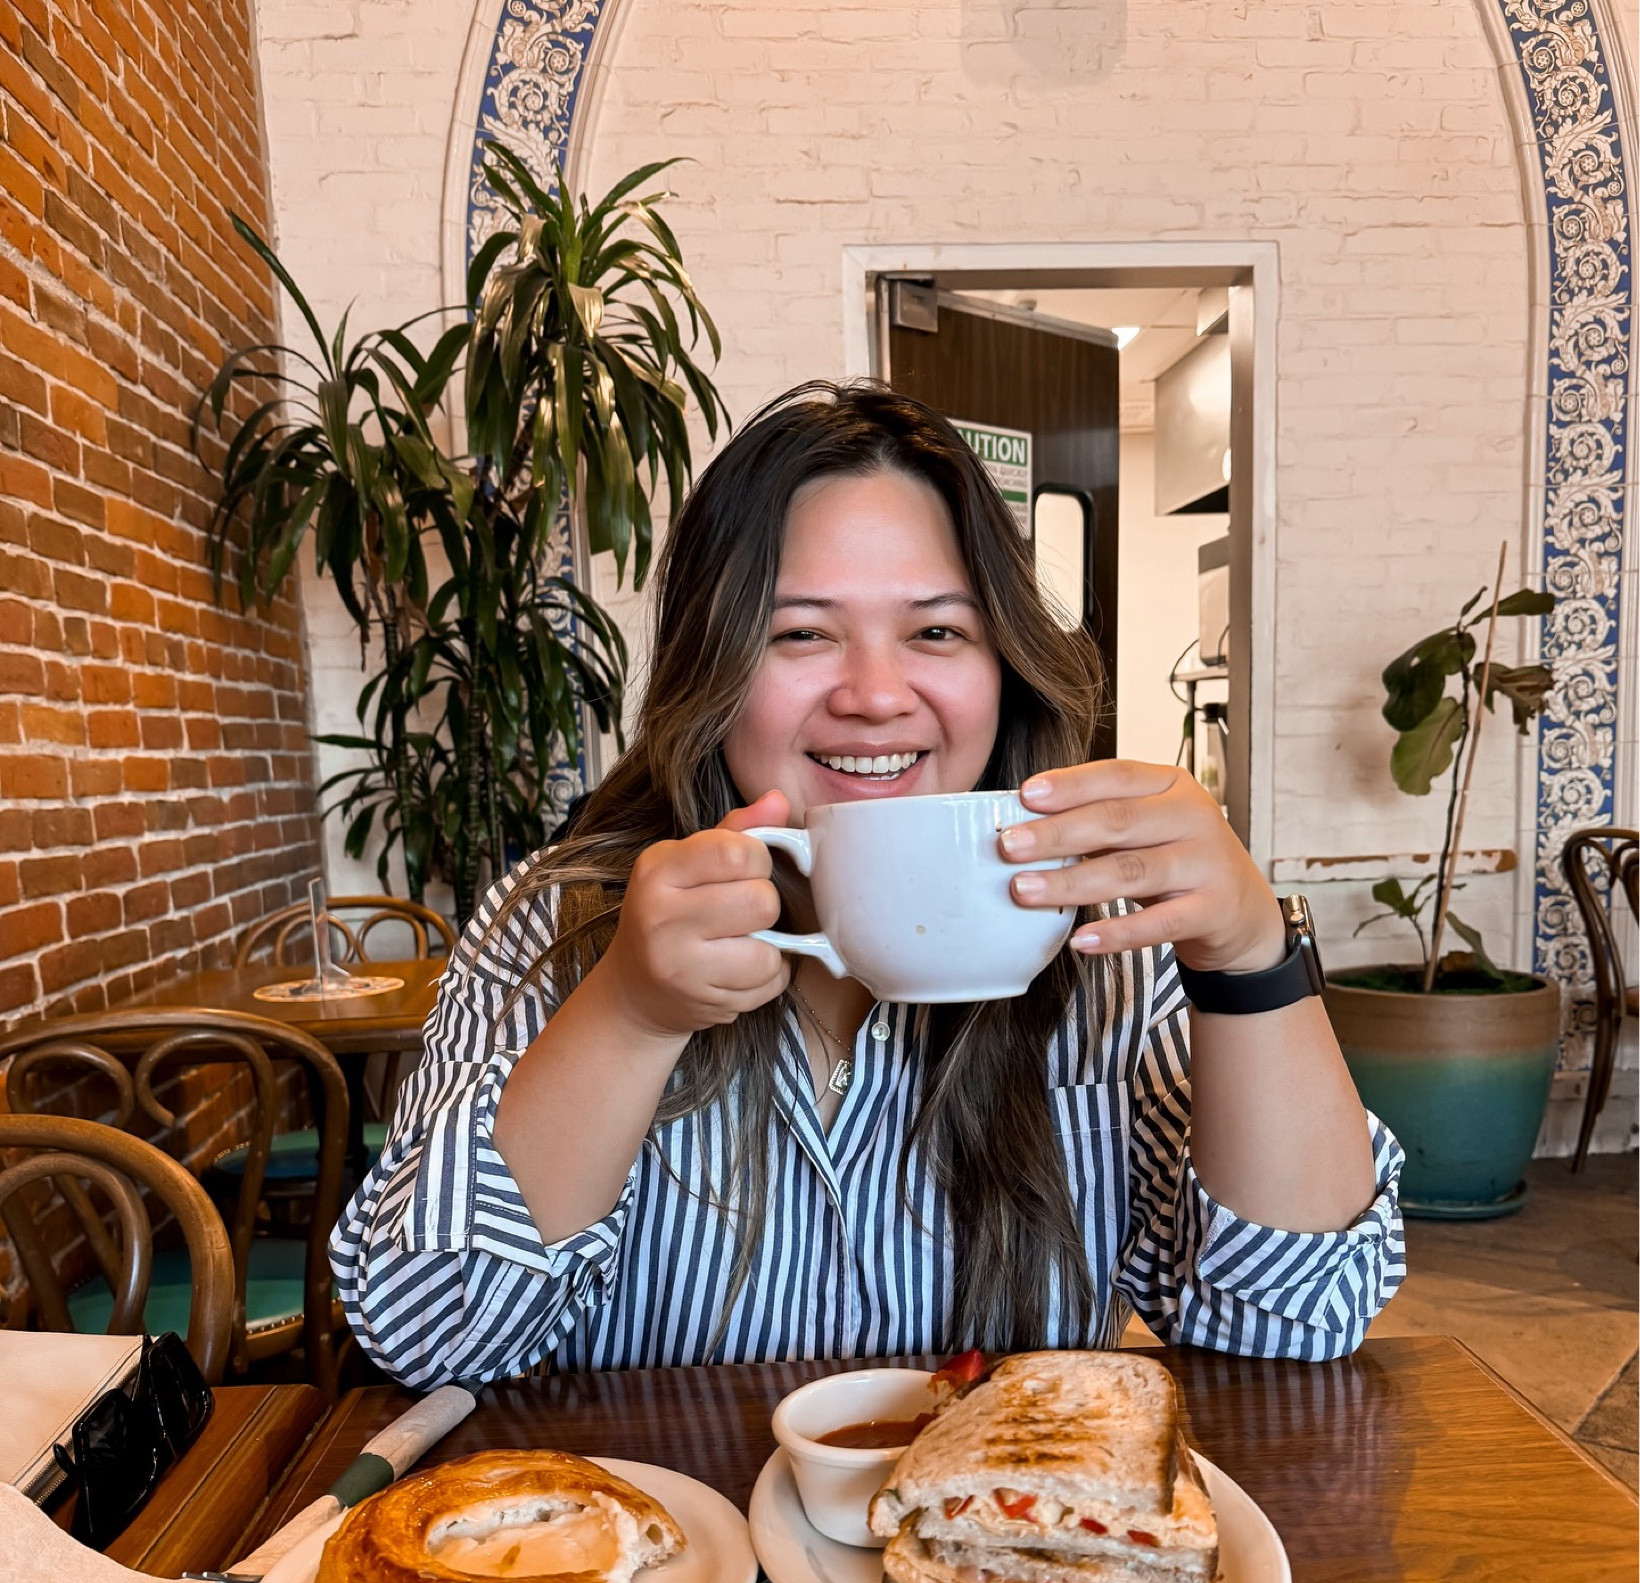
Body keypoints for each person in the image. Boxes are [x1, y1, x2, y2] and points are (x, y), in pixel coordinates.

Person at [331, 382, 1403, 1385]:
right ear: (710, 666)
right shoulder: (557, 917)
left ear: (1004, 666)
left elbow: (1294, 1315)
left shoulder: (1108, 934)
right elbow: (434, 1336)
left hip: (998, 1557)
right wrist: (625, 1011)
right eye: (800, 633)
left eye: (936, 630)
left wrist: (1249, 961)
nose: (876, 695)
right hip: (669, 1563)